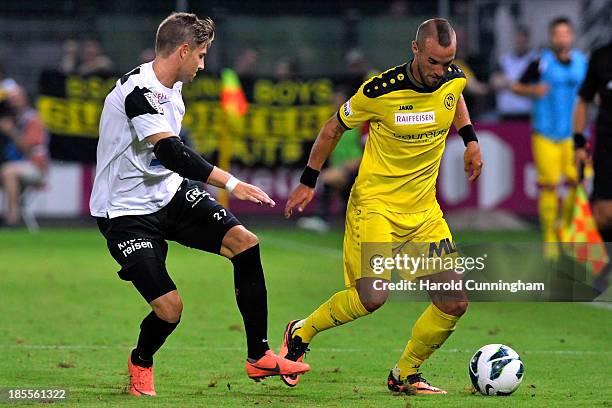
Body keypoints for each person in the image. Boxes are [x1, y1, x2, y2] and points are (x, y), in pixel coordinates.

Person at [89, 12, 309, 397]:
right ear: (184, 50)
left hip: (170, 195)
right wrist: (232, 182)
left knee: (245, 242)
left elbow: (170, 164)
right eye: (201, 55)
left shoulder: (172, 87)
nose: (203, 65)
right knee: (170, 310)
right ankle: (141, 360)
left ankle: (258, 355)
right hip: (126, 214)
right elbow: (172, 152)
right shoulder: (136, 92)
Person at [281, 18, 483, 395]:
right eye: (434, 62)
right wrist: (309, 180)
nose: (441, 72)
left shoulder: (453, 78)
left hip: (424, 212)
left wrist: (470, 140)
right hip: (375, 206)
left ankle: (405, 373)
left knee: (454, 301)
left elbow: (455, 99)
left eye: (449, 61)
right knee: (372, 297)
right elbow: (332, 129)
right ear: (416, 49)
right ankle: (301, 330)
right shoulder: (379, 91)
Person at [512, 17, 587, 257]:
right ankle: (550, 240)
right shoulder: (540, 62)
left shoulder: (582, 63)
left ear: (572, 37)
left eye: (566, 33)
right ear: (551, 37)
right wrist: (533, 90)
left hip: (575, 135)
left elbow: (592, 92)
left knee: (579, 184)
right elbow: (516, 86)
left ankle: (564, 228)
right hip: (545, 133)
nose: (562, 38)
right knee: (549, 186)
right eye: (557, 34)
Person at [573, 41, 612, 290]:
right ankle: (602, 263)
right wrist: (579, 140)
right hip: (608, 142)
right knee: (604, 215)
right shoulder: (601, 57)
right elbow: (584, 100)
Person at [0, 85, 48, 227]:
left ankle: (12, 219)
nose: (13, 103)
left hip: (36, 167)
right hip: (15, 166)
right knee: (8, 171)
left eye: (16, 99)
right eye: (11, 100)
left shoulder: (32, 119)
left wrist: (11, 131)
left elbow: (28, 148)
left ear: (24, 100)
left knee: (8, 172)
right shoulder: (11, 118)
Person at [489, 25, 536, 120]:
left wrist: (509, 83)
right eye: (518, 38)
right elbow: (495, 82)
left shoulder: (534, 60)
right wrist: (519, 84)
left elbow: (536, 86)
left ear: (527, 39)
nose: (520, 42)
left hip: (527, 112)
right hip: (506, 113)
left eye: (523, 38)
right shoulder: (504, 60)